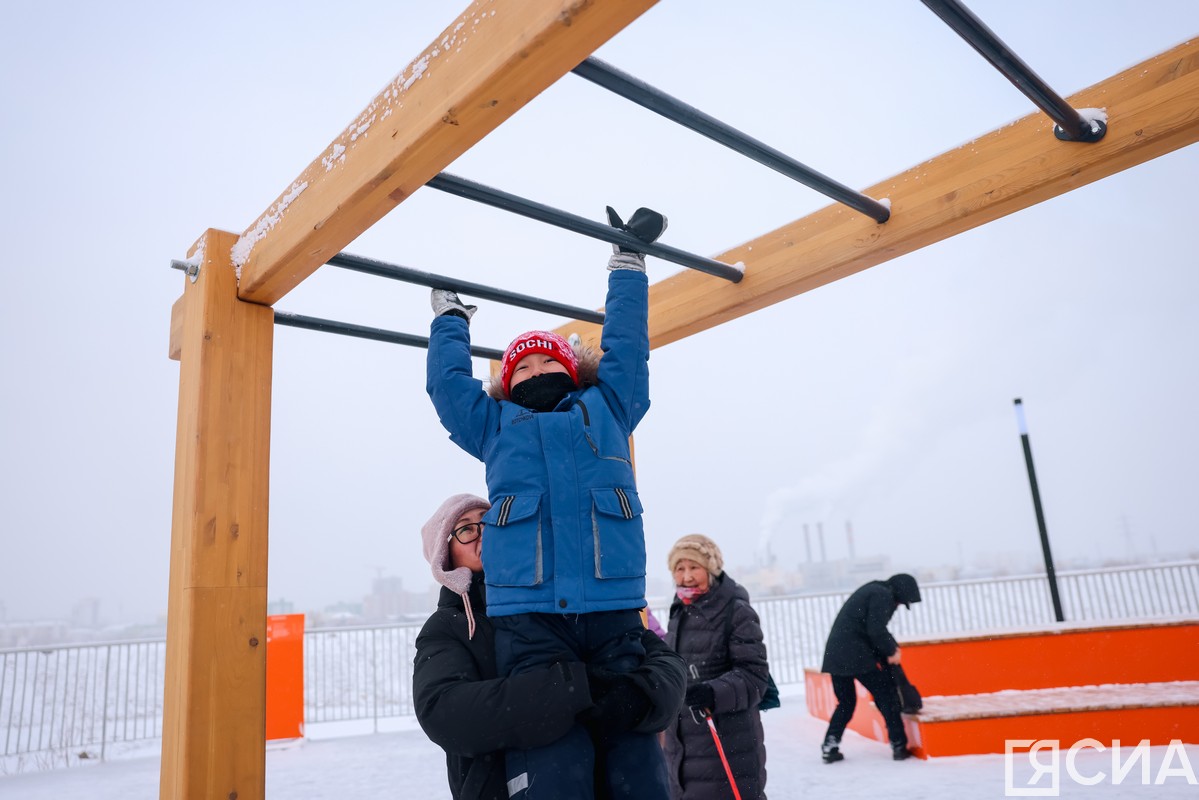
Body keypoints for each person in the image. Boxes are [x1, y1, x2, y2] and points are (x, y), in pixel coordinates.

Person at [424, 207, 670, 800]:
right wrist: (451, 320)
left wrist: (627, 265)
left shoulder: (609, 409)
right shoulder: (495, 427)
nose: (536, 370)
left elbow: (629, 349)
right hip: (530, 614)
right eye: (523, 366)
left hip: (612, 603)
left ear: (571, 369)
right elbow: (447, 388)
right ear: (508, 383)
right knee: (554, 754)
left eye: (548, 361)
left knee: (634, 751)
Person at [413, 493, 687, 800]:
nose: (484, 533)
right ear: (445, 555)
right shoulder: (448, 627)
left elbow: (665, 661)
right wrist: (571, 691)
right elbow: (444, 711)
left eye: (489, 522)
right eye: (466, 529)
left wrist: (638, 694)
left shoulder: (557, 600)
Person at [662, 534, 770, 800]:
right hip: (682, 742)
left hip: (727, 738)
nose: (686, 576)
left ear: (711, 569)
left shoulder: (736, 610)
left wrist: (713, 692)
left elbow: (754, 676)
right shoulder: (679, 610)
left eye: (694, 567)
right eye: (679, 568)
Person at [819, 573, 922, 763]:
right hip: (858, 656)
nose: (898, 606)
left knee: (846, 703)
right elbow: (876, 630)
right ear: (899, 593)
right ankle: (899, 745)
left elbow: (869, 627)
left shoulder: (873, 590)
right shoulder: (883, 595)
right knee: (887, 697)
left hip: (836, 655)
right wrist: (891, 651)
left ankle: (830, 745)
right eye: (900, 602)